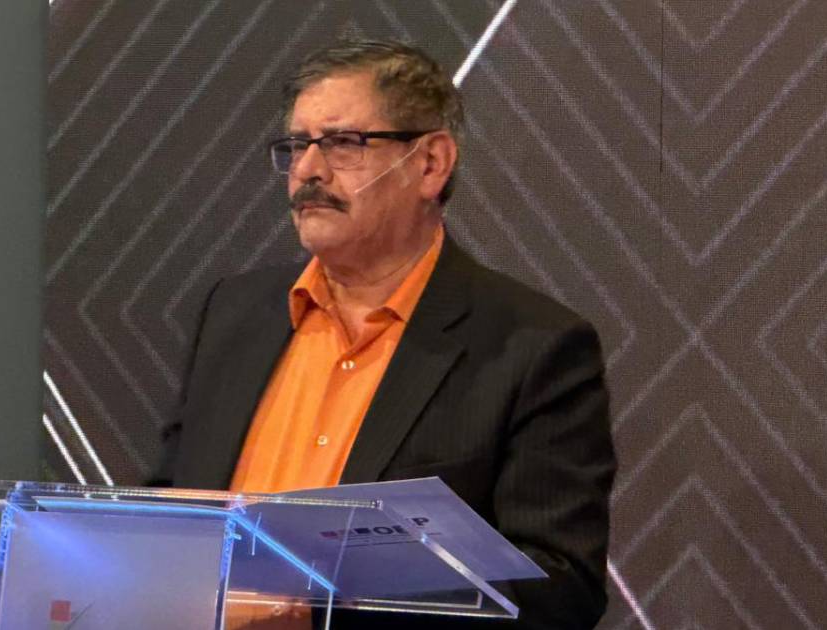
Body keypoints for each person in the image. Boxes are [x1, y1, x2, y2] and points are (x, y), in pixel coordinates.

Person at [163, 39, 615, 629]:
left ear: (430, 164)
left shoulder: (533, 347)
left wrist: (321, 612)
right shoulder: (233, 312)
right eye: (297, 145)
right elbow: (165, 504)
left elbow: (558, 591)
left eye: (343, 143)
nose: (308, 170)